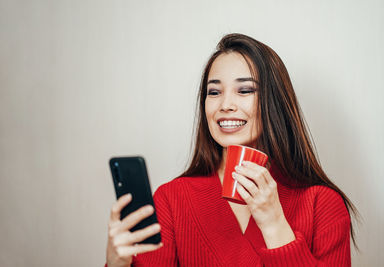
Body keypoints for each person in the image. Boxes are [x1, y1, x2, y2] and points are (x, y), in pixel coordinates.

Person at [105, 33, 358, 267]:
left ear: (275, 101)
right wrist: (117, 264)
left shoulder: (322, 204)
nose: (225, 105)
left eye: (245, 90)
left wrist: (274, 225)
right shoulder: (171, 200)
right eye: (214, 92)